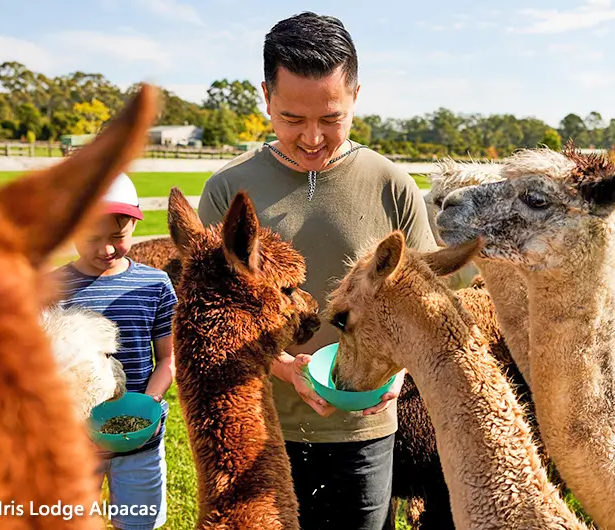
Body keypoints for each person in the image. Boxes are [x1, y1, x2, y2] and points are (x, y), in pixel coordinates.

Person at [197, 11, 437, 530]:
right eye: (290, 119)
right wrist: (284, 365)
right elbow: (206, 316)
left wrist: (397, 368)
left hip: (365, 431)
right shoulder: (227, 192)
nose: (311, 138)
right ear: (265, 97)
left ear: (354, 95)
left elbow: (428, 305)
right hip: (258, 429)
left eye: (330, 119)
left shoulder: (391, 184)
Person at [51, 172, 177, 530]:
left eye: (117, 237)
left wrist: (150, 404)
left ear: (133, 227)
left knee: (140, 521)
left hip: (139, 437)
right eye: (91, 238)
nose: (106, 249)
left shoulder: (155, 285)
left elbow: (168, 357)